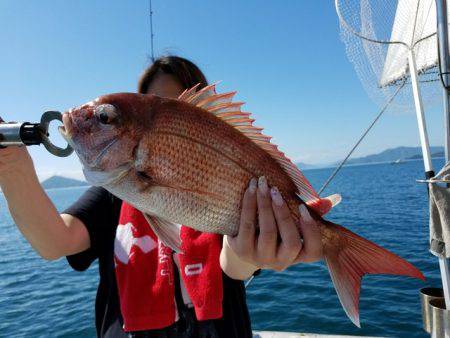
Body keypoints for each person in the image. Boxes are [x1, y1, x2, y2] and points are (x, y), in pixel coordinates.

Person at [0, 56, 322, 338]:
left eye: (179, 109)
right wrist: (13, 168)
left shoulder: (230, 184)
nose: (169, 121)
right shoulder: (114, 192)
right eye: (155, 105)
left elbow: (234, 268)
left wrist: (251, 251)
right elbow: (55, 241)